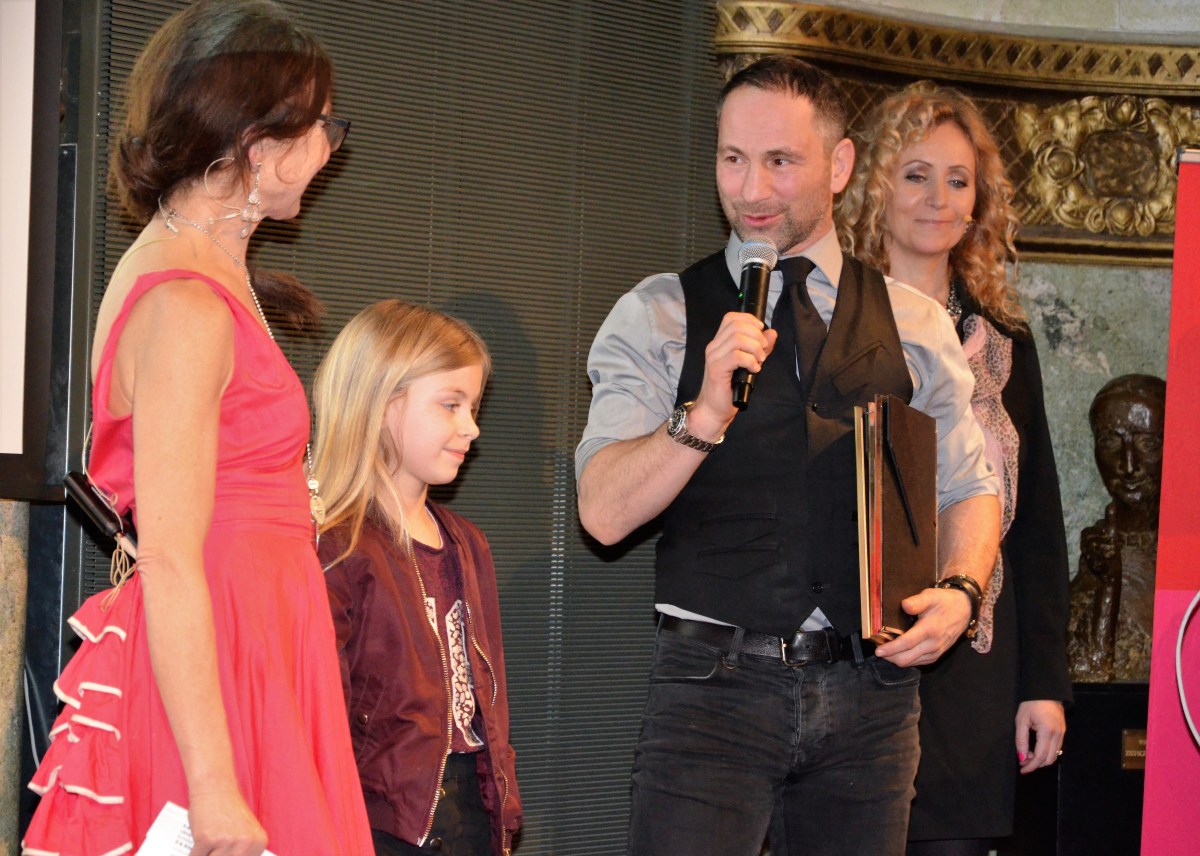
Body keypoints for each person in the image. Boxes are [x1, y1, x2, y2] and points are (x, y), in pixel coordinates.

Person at [576, 55, 1001, 856]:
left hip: (872, 703)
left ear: (838, 166)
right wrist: (703, 415)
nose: (751, 189)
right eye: (733, 159)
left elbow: (970, 486)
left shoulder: (915, 323)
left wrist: (962, 589)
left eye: (780, 161)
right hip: (712, 696)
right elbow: (601, 513)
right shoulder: (660, 313)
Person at [22, 2, 373, 854]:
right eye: (325, 125)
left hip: (254, 640)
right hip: (223, 656)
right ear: (259, 143)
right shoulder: (186, 303)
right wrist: (213, 790)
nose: (332, 148)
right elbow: (174, 558)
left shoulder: (204, 274)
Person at [838, 81, 1072, 856]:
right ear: (875, 186)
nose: (939, 198)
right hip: (847, 661)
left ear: (979, 201)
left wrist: (1045, 685)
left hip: (975, 667)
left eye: (959, 180)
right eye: (916, 175)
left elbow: (1037, 527)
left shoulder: (1006, 340)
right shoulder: (825, 320)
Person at [312, 300, 523, 856]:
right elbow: (318, 716)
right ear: (382, 403)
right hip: (378, 822)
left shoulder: (467, 544)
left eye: (473, 407)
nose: (471, 428)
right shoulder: (335, 545)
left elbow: (490, 699)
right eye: (451, 405)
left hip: (471, 816)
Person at [1067, 373, 1165, 683]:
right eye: (1110, 441)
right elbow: (1087, 673)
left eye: (1148, 443)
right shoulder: (1098, 555)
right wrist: (1108, 583)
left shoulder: (1185, 554)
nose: (1129, 465)